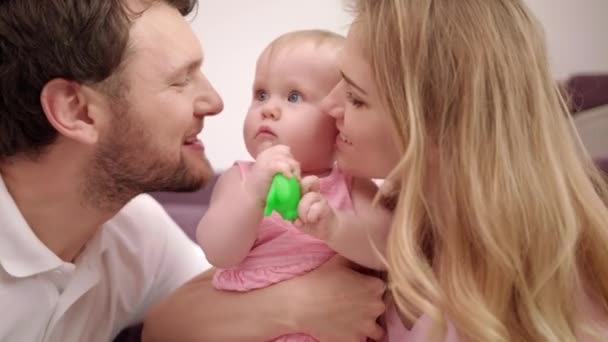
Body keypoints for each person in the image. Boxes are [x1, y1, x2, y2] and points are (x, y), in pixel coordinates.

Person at [0, 1, 385, 341]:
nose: (215, 103)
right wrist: (301, 306)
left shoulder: (135, 233)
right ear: (77, 111)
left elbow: (172, 322)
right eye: (181, 80)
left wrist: (294, 302)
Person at [316, 0, 608, 341]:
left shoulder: (552, 297)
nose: (327, 105)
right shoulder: (381, 222)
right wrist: (285, 306)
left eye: (355, 97)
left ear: (440, 126)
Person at [195, 29, 391, 341]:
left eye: (294, 96)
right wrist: (252, 196)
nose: (268, 108)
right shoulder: (241, 179)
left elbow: (386, 248)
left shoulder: (351, 185)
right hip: (251, 326)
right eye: (261, 94)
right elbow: (217, 251)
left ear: (337, 120)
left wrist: (336, 227)